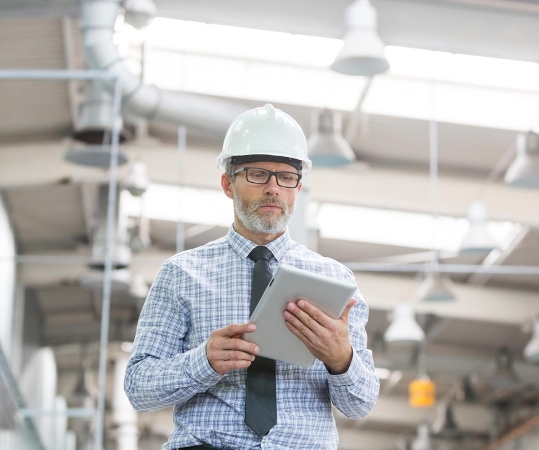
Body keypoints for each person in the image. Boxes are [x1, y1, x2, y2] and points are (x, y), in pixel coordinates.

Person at [124, 104, 379, 450]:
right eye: (258, 174)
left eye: (286, 177)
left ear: (297, 188)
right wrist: (204, 361)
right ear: (228, 184)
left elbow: (360, 403)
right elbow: (138, 388)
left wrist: (341, 358)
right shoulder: (181, 274)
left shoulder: (335, 281)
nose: (273, 188)